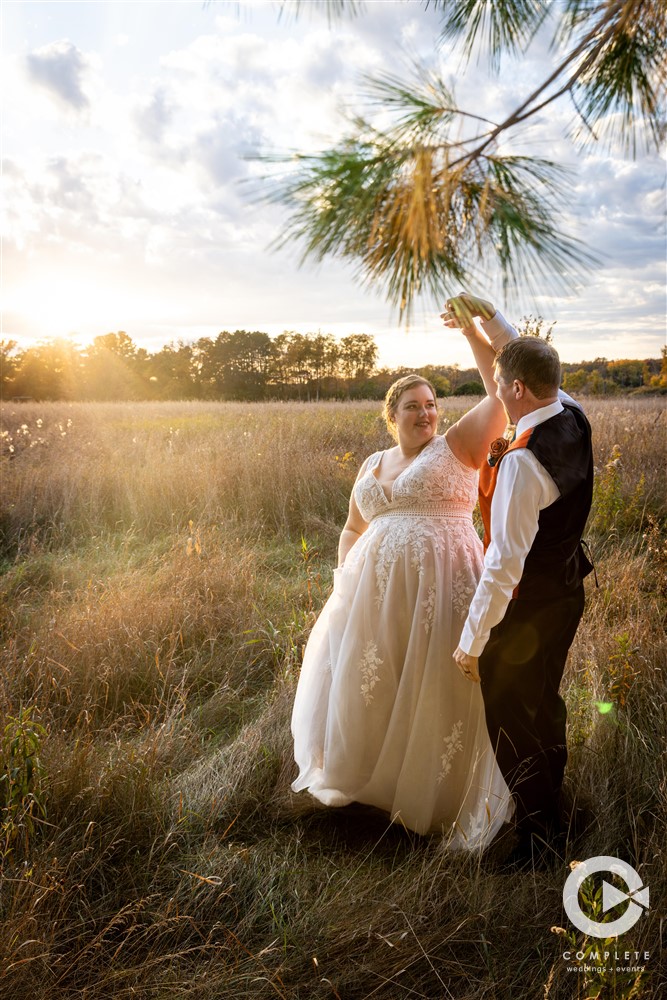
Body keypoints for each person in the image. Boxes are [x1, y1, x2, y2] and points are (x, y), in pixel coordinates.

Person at [290, 294, 517, 844]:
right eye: (413, 405)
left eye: (433, 402)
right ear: (391, 416)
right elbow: (352, 526)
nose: (426, 412)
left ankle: (437, 801)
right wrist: (348, 575)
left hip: (443, 584)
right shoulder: (373, 463)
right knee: (375, 682)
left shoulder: (457, 446)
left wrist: (472, 333)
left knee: (435, 684)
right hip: (373, 594)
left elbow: (502, 394)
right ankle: (375, 788)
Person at [451, 313, 594, 865]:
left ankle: (538, 840)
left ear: (515, 388)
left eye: (502, 386)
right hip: (566, 595)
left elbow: (503, 565)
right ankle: (553, 812)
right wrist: (489, 319)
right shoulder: (574, 414)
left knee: (511, 719)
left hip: (527, 607)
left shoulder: (522, 461)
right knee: (543, 705)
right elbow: (519, 357)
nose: (499, 395)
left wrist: (471, 641)